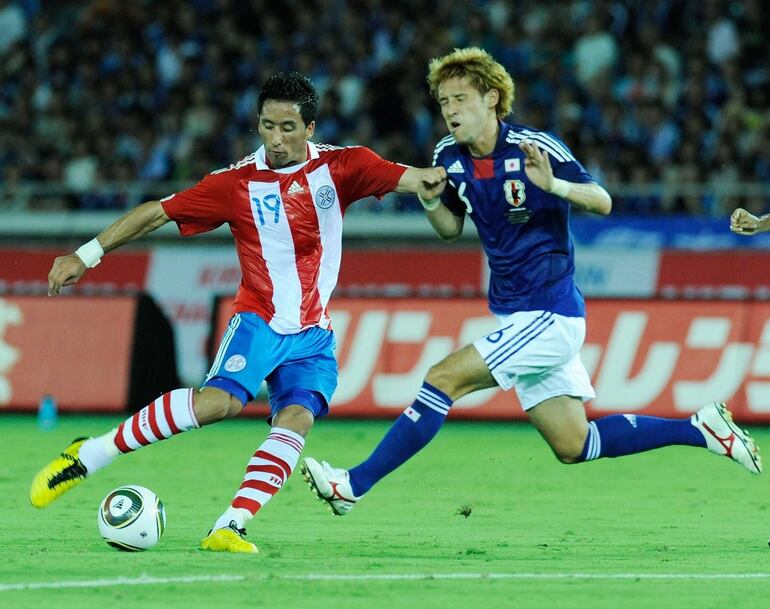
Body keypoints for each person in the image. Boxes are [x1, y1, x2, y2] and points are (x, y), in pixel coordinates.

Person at [301, 48, 762, 516]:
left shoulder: (533, 147)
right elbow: (450, 229)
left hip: (550, 313)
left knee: (443, 378)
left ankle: (351, 485)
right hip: (516, 313)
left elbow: (601, 200)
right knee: (574, 443)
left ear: (492, 99)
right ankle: (702, 428)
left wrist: (555, 185)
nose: (451, 110)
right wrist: (428, 200)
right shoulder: (448, 156)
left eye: (461, 98)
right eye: (443, 101)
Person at [29, 71, 447, 553]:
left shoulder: (345, 167)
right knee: (220, 404)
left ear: (310, 128)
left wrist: (435, 179)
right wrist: (87, 254)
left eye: (288, 128)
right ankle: (91, 453)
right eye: (267, 126)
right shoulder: (235, 183)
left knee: (296, 419)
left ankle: (230, 525)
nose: (276, 138)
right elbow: (158, 211)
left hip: (313, 332)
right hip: (260, 321)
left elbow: (412, 178)